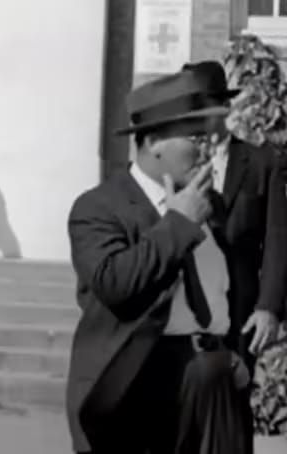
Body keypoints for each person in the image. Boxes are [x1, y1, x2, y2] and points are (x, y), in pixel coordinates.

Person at [65, 62, 257, 454]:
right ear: (153, 142)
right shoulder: (99, 207)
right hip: (143, 390)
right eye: (195, 137)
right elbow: (115, 285)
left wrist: (233, 352)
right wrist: (178, 222)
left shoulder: (211, 205)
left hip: (215, 384)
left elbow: (226, 287)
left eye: (208, 137)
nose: (208, 147)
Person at [187, 61, 287, 375]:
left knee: (234, 404)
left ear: (225, 107)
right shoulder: (176, 165)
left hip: (240, 309)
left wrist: (268, 308)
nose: (196, 117)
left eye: (203, 106)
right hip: (187, 309)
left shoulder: (261, 163)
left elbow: (277, 240)